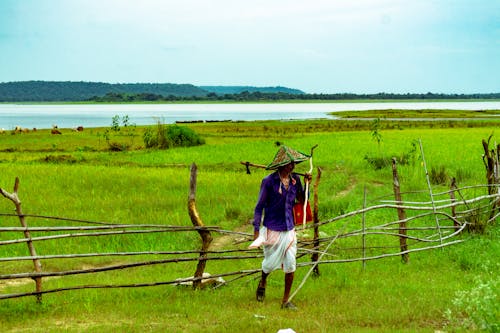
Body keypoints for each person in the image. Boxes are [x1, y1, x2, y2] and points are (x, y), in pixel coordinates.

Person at [249, 145, 311, 310]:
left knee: (291, 264)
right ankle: (263, 281)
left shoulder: (295, 180)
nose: (293, 167)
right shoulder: (268, 182)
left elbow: (301, 200)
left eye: (294, 164)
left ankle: (285, 301)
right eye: (290, 164)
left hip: (289, 229)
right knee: (269, 264)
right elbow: (258, 207)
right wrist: (256, 231)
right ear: (282, 165)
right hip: (272, 229)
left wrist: (306, 185)